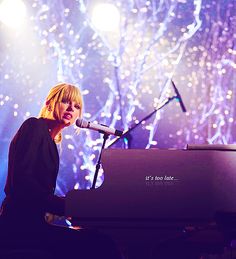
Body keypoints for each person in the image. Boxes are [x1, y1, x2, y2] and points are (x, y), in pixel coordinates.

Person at [0, 83, 121, 259]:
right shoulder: (34, 127)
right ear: (50, 103)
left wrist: (73, 207)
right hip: (18, 228)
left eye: (77, 106)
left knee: (99, 241)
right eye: (65, 101)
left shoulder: (51, 142)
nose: (72, 108)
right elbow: (23, 185)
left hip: (32, 226)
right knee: (100, 243)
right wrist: (70, 206)